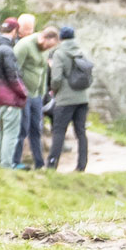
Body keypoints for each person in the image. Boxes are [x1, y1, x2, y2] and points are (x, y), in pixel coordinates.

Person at [44, 24, 95, 172]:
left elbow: (56, 78)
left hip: (65, 100)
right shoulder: (80, 51)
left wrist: (54, 90)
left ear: (61, 38)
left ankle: (52, 165)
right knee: (81, 132)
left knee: (59, 131)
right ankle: (81, 165)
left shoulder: (59, 53)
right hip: (83, 98)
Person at [0, 16, 29, 168]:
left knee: (1, 132)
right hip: (10, 98)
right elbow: (13, 76)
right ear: (15, 31)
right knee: (11, 134)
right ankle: (6, 165)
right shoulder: (7, 50)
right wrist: (23, 92)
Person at [12, 16, 50, 170]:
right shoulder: (19, 45)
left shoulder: (41, 46)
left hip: (36, 95)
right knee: (22, 128)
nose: (27, 32)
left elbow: (44, 71)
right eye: (25, 29)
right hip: (22, 94)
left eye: (30, 29)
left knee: (36, 128)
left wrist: (42, 92)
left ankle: (39, 162)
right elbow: (14, 70)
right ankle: (15, 161)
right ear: (19, 28)